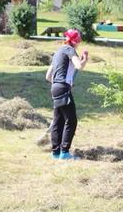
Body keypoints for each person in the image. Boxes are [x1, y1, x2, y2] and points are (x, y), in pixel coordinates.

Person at [45, 29, 89, 160]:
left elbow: (48, 76)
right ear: (76, 41)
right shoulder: (70, 50)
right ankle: (64, 152)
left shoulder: (58, 52)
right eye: (79, 40)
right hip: (63, 88)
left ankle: (56, 153)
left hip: (55, 87)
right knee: (71, 120)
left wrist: (62, 83)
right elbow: (78, 66)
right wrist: (84, 59)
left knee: (58, 121)